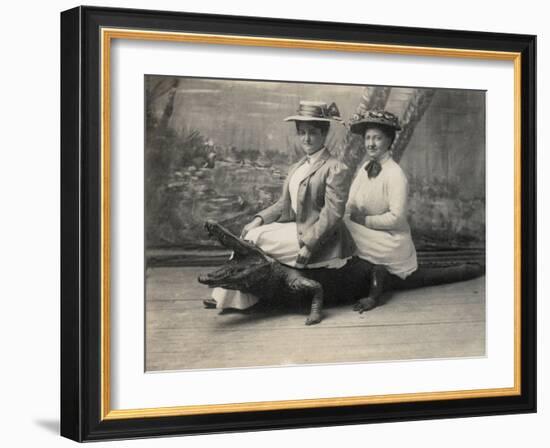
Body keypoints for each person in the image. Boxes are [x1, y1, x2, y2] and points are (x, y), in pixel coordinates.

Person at [204, 100, 355, 310]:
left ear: (324, 134)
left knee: (254, 240)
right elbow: (284, 203)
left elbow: (332, 213)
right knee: (250, 234)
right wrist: (258, 218)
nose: (307, 138)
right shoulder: (298, 166)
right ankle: (230, 297)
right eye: (302, 133)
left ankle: (235, 298)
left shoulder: (335, 168)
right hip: (297, 227)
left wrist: (309, 245)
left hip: (322, 238)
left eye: (313, 132)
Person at [344, 110, 418, 312]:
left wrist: (364, 221)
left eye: (377, 138)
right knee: (336, 226)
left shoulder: (395, 174)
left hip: (391, 240)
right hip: (368, 233)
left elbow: (397, 218)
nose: (371, 143)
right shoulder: (366, 167)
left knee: (343, 234)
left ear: (389, 140)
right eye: (368, 138)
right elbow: (350, 203)